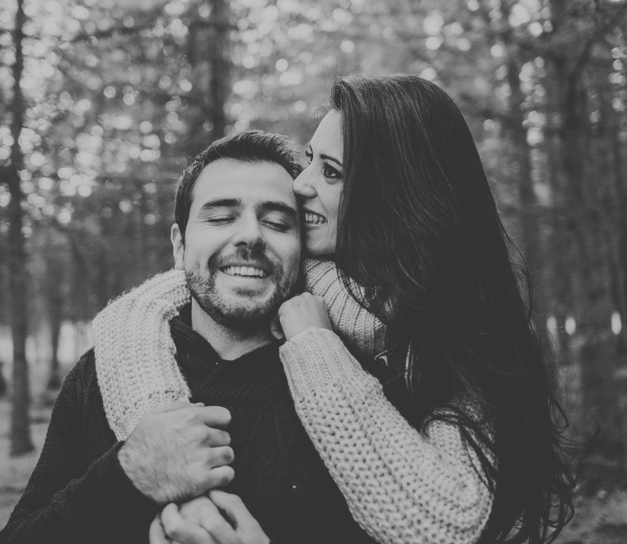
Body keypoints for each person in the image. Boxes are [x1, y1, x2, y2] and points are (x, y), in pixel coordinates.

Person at [94, 74, 576, 544]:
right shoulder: (279, 273)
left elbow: (444, 522)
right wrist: (170, 462)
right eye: (309, 160)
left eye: (330, 171)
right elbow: (134, 315)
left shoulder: (463, 337)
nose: (299, 185)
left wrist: (313, 344)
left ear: (396, 197)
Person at [0, 130, 386, 544]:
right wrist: (127, 475)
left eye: (276, 222)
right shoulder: (97, 375)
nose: (250, 236)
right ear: (180, 246)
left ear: (301, 251)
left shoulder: (353, 390)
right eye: (220, 217)